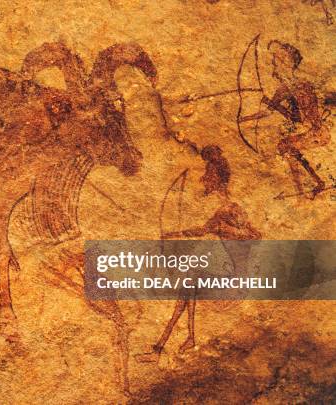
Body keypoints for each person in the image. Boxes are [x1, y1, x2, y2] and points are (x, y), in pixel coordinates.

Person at [136, 145, 261, 363]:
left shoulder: (231, 209)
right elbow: (202, 230)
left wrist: (227, 231)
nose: (203, 179)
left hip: (237, 284)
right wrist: (171, 234)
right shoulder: (221, 212)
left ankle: (177, 341)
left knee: (191, 278)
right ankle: (168, 345)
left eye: (208, 174)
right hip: (230, 278)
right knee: (190, 279)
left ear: (218, 177)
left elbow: (256, 235)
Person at [257, 41, 331, 199]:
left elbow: (301, 118)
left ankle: (303, 188)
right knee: (286, 146)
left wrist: (271, 105)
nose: (272, 63)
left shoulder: (301, 86)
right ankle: (316, 182)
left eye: (276, 59)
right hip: (313, 130)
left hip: (317, 133)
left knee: (285, 146)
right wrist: (268, 105)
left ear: (287, 62)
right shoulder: (287, 88)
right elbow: (276, 114)